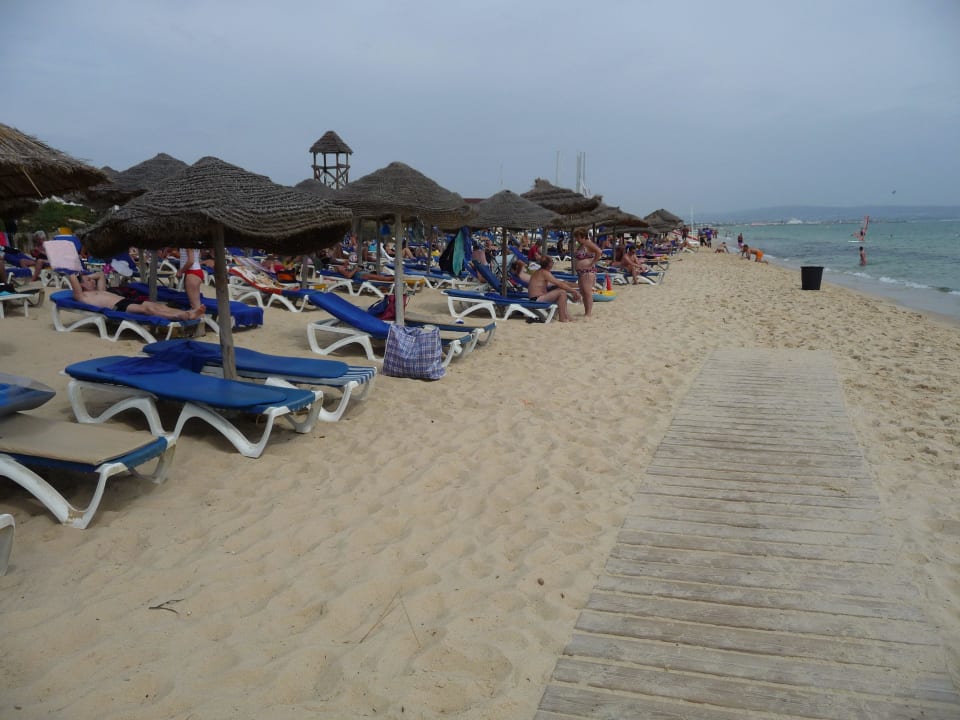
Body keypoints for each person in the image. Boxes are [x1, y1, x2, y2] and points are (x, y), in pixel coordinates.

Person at [69, 271, 205, 320]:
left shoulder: (99, 290)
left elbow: (100, 274)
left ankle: (189, 313)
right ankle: (179, 316)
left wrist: (86, 277)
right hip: (118, 306)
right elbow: (72, 278)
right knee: (148, 310)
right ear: (81, 285)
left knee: (157, 306)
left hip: (126, 301)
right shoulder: (83, 296)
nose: (92, 281)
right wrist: (76, 276)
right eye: (88, 281)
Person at [526, 255, 580, 323]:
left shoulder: (540, 271)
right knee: (561, 292)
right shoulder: (544, 272)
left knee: (560, 290)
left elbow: (556, 284)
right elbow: (559, 284)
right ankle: (562, 318)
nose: (553, 263)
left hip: (537, 298)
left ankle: (566, 316)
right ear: (549, 264)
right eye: (552, 261)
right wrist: (574, 291)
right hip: (536, 300)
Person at [571, 226, 602, 319]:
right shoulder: (582, 245)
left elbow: (599, 251)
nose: (576, 239)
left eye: (577, 237)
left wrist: (592, 263)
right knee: (583, 292)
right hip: (581, 272)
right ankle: (586, 312)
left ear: (583, 236)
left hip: (587, 271)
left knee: (587, 292)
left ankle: (588, 313)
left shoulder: (588, 243)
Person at [176, 247, 205, 312]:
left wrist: (180, 271)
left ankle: (200, 317)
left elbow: (191, 261)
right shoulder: (194, 243)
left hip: (192, 272)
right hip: (196, 271)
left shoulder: (187, 243)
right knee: (196, 305)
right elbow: (198, 256)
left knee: (194, 306)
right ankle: (200, 317)